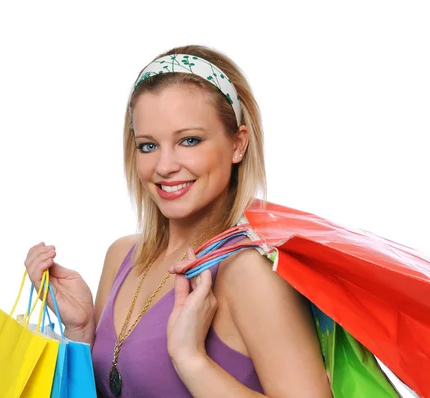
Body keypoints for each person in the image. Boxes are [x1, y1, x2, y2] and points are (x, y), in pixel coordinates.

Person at [24, 45, 333, 397]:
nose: (165, 165)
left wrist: (191, 360)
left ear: (238, 145)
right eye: (148, 146)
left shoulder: (249, 272)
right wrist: (81, 332)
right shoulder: (123, 256)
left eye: (189, 140)